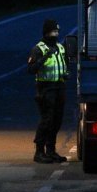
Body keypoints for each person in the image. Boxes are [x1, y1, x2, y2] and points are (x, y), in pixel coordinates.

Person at [27, 19, 69, 164]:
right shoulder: (39, 49)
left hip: (60, 87)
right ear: (46, 33)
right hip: (45, 88)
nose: (55, 34)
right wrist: (43, 58)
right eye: (53, 32)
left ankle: (51, 151)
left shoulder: (60, 47)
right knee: (47, 119)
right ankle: (39, 152)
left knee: (57, 120)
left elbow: (65, 65)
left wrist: (66, 73)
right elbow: (31, 70)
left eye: (57, 32)